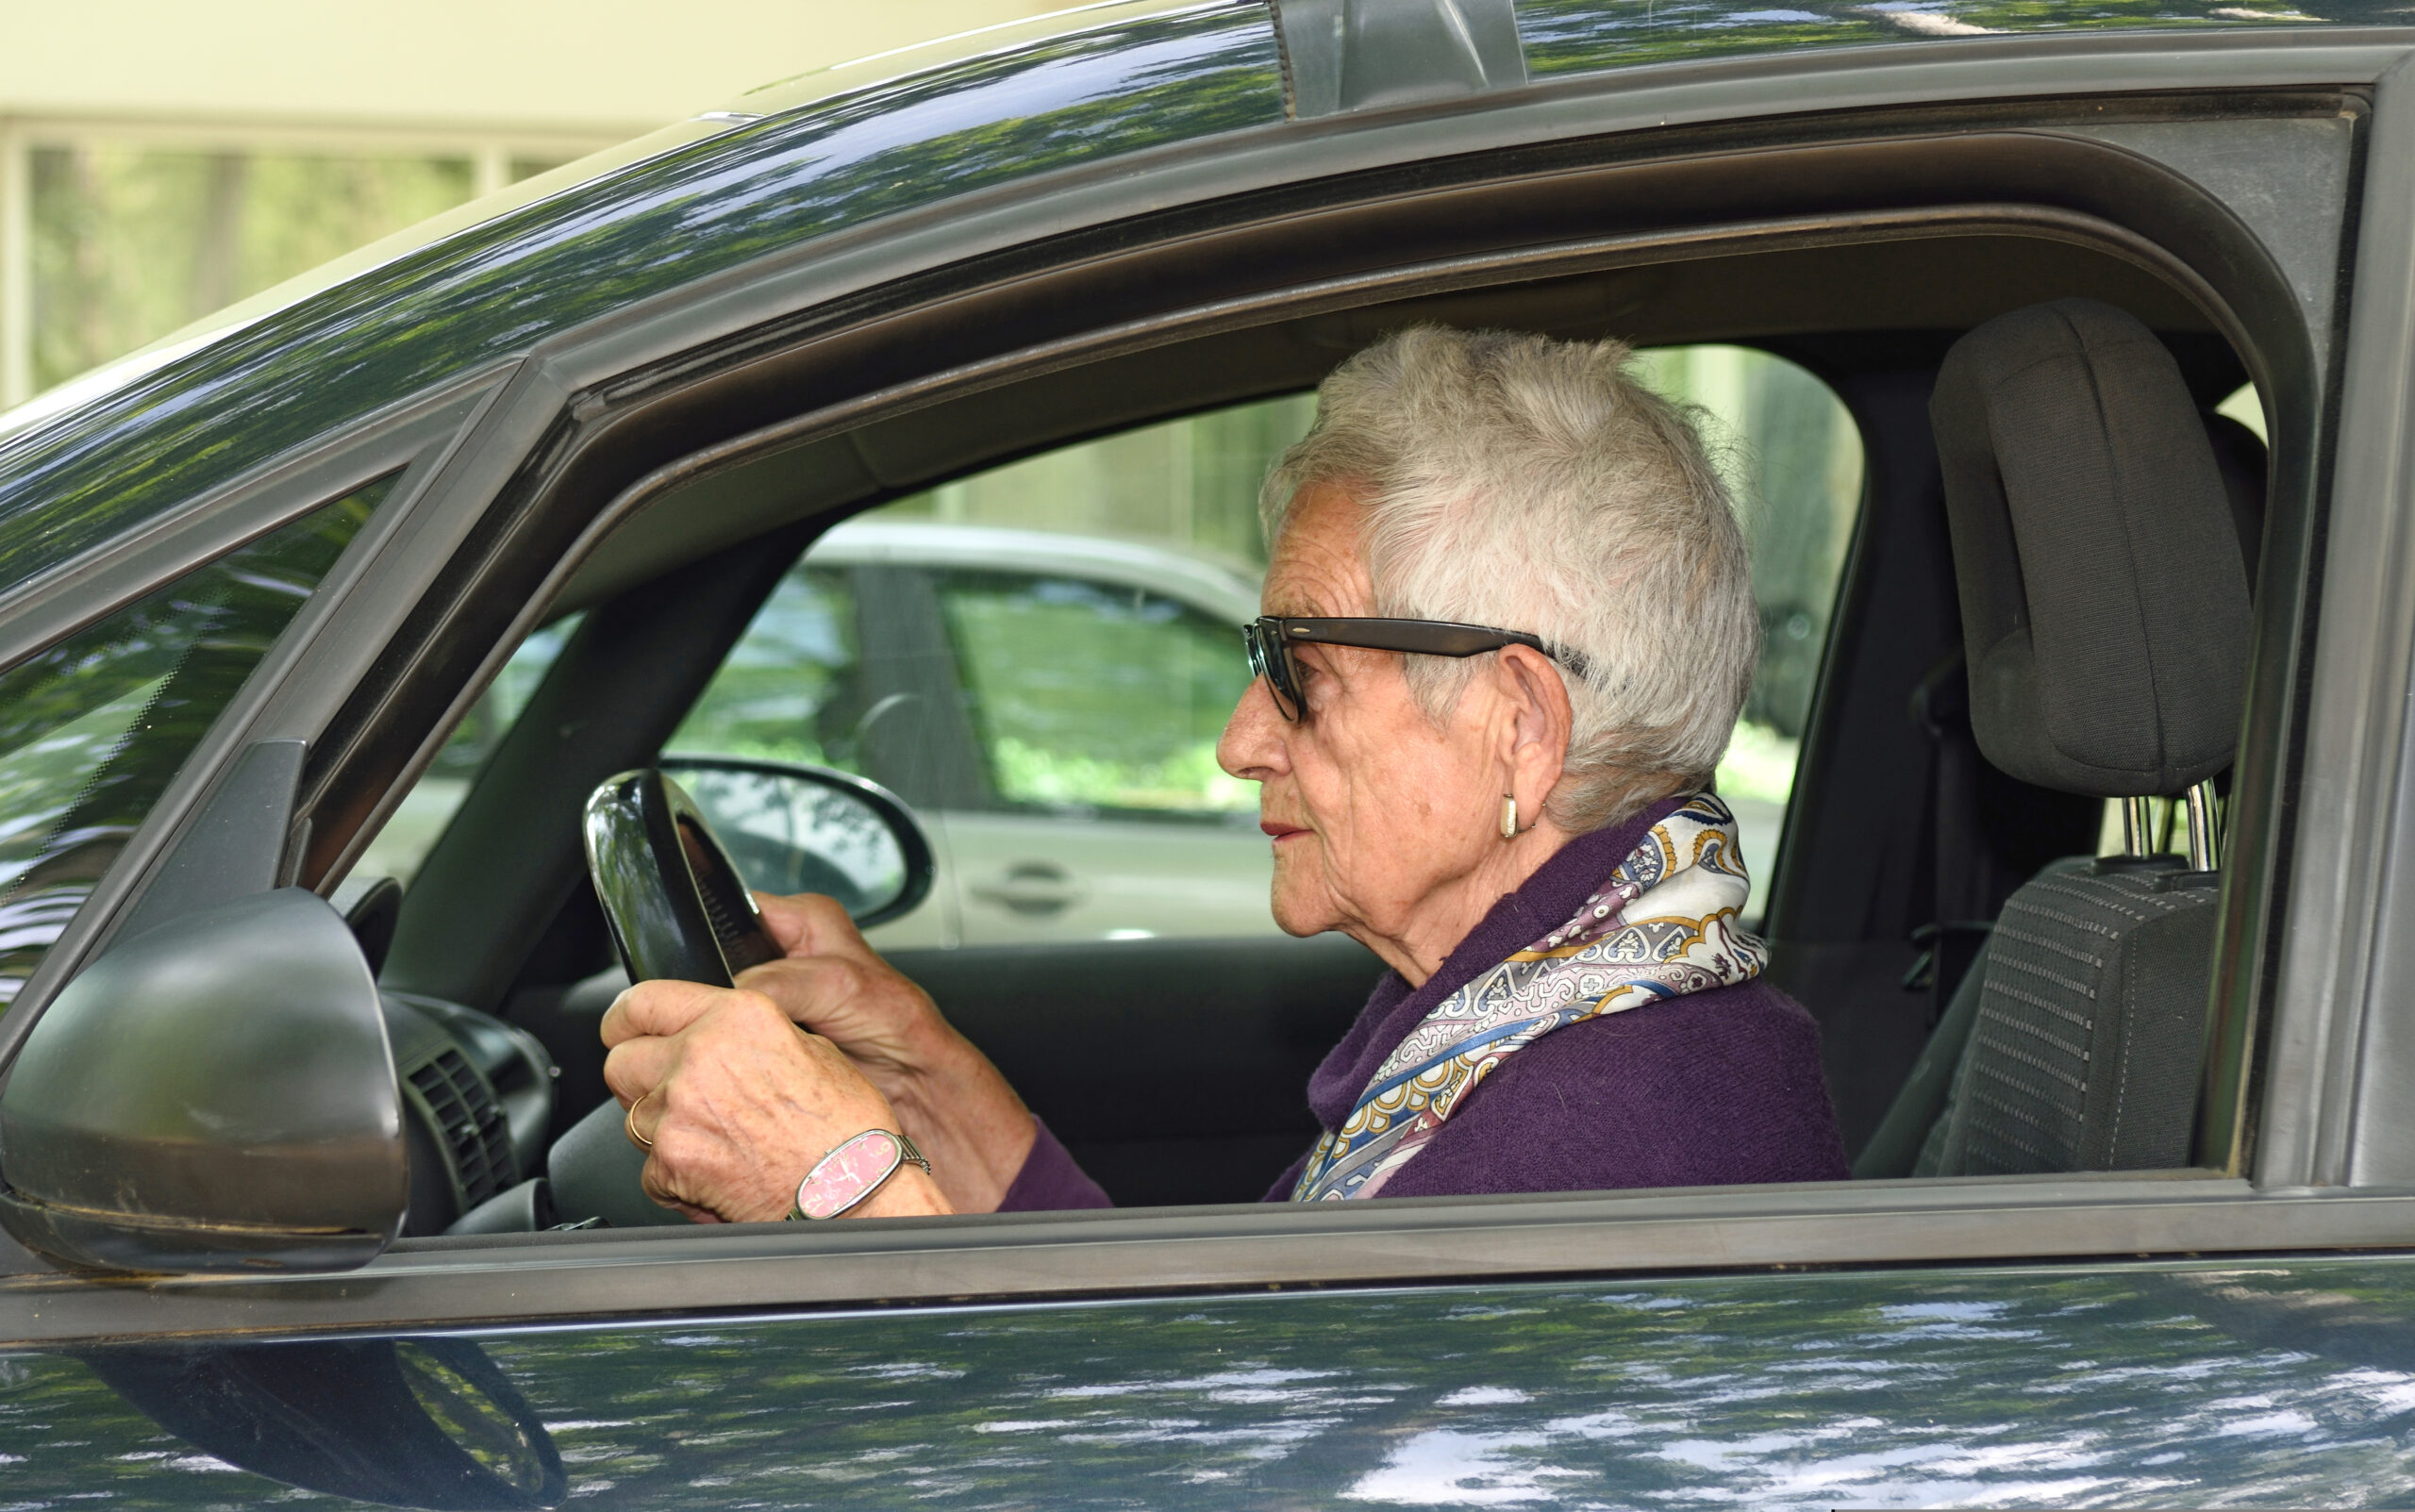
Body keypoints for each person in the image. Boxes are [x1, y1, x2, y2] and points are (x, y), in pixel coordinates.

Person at [600, 324, 1849, 1224]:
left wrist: (844, 1188)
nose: (1241, 740)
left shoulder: (1602, 1142)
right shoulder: (1534, 1025)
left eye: (1302, 672)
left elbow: (1150, 1475)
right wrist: (925, 1086)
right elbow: (1214, 1379)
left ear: (1516, 724)